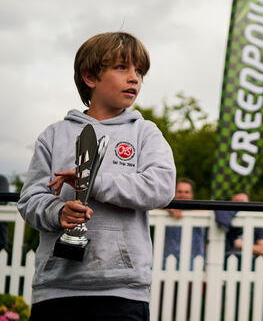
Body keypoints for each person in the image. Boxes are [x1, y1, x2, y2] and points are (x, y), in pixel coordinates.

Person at [17, 31, 176, 321]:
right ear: (90, 77)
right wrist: (57, 211)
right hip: (56, 290)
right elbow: (29, 200)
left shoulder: (145, 133)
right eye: (121, 67)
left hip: (123, 292)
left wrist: (93, 182)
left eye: (139, 71)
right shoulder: (53, 135)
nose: (134, 78)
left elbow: (161, 188)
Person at [163, 178, 206, 270]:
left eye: (187, 192)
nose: (183, 195)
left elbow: (211, 212)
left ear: (192, 194)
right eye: (180, 191)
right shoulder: (164, 212)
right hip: (167, 266)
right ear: (174, 193)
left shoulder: (202, 212)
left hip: (193, 267)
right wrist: (167, 208)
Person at [214, 192, 263, 264]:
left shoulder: (256, 224)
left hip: (248, 263)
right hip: (224, 260)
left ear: (249, 203)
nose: (239, 205)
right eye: (236, 201)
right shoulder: (222, 219)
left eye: (242, 201)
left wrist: (241, 245)